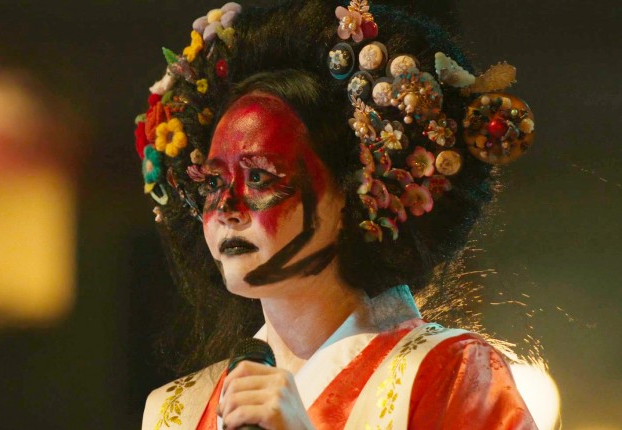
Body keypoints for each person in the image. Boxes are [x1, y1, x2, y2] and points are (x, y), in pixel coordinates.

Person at [133, 1, 538, 428]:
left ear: (353, 192)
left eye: (259, 177)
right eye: (214, 182)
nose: (227, 210)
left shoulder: (447, 372)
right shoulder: (177, 412)